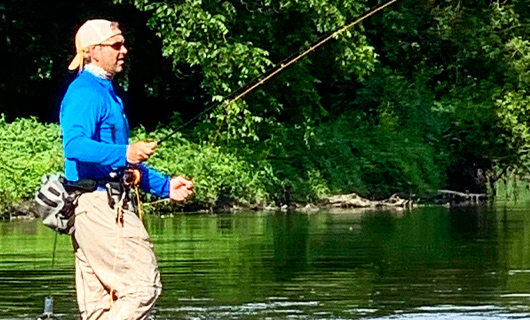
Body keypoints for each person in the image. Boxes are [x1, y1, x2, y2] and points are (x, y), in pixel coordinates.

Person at [60, 19, 193, 320]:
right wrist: (127, 151)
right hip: (99, 207)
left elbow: (119, 163)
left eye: (123, 43)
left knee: (101, 308)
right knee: (143, 287)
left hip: (103, 203)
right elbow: (75, 147)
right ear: (93, 52)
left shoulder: (106, 93)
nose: (124, 50)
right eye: (116, 45)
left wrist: (164, 186)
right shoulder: (85, 93)